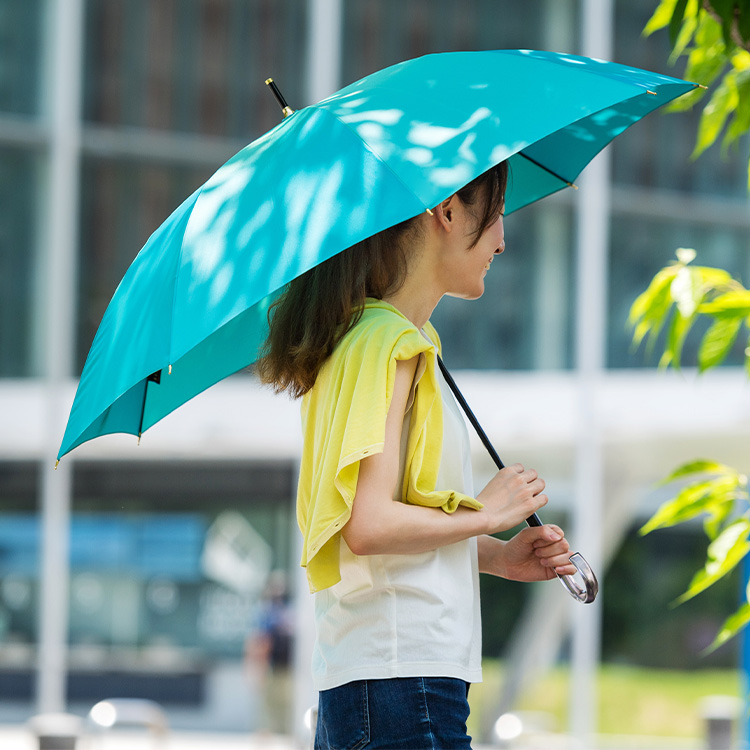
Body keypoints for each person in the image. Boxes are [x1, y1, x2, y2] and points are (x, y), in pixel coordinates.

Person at [256, 161, 577, 749]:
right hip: (404, 685)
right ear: (448, 211)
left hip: (379, 682)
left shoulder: (366, 339)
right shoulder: (388, 344)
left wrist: (496, 556)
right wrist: (486, 512)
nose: (503, 239)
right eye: (496, 213)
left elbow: (385, 522)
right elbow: (368, 524)